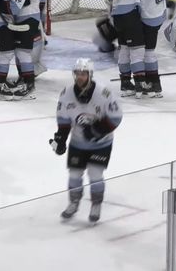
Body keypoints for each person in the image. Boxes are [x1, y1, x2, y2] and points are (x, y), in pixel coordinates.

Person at [49, 58, 123, 223]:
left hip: (101, 143)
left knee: (95, 173)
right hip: (78, 142)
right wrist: (60, 139)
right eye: (77, 73)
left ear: (90, 74)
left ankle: (96, 204)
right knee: (74, 173)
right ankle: (74, 202)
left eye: (83, 74)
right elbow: (63, 119)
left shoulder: (104, 93)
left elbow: (116, 116)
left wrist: (97, 130)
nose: (80, 77)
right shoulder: (66, 93)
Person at [107, 0, 170, 97]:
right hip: (155, 15)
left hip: (130, 14)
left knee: (128, 50)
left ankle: (131, 85)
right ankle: (152, 86)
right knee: (146, 52)